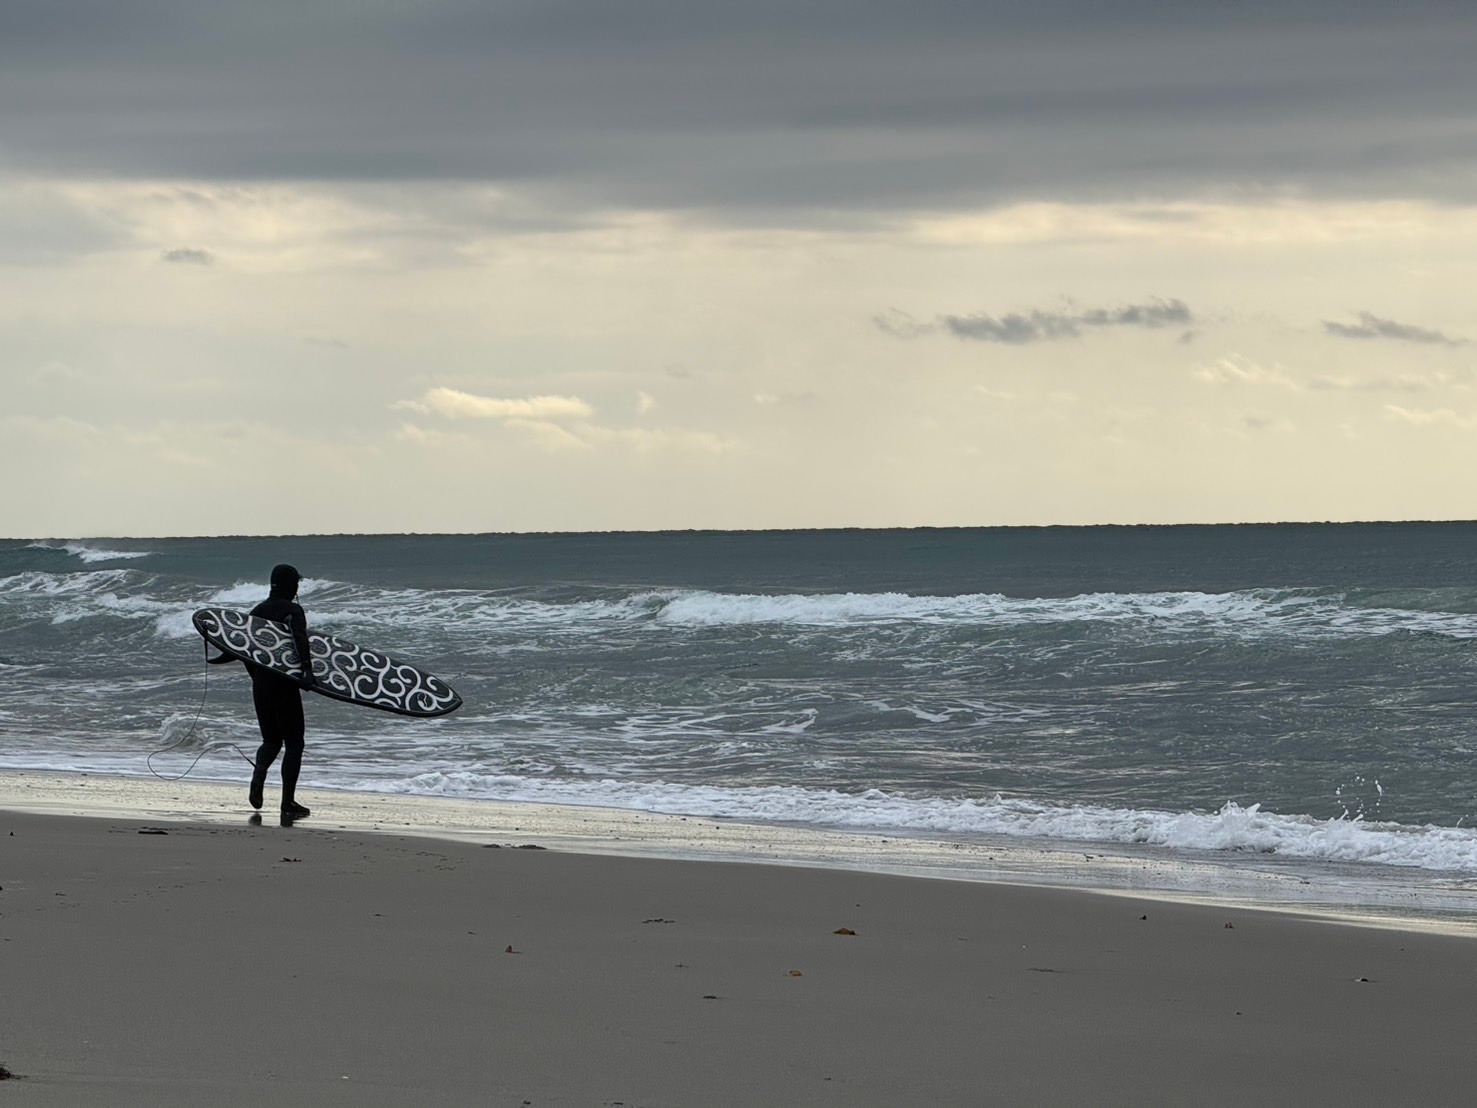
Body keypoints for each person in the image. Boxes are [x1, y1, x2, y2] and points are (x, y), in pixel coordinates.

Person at [210, 563, 316, 819]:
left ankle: (259, 774)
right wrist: (307, 670)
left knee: (271, 741)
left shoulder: (257, 612)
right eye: (296, 584)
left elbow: (241, 649)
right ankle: (287, 801)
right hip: (284, 685)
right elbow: (299, 638)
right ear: (292, 585)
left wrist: (257, 677)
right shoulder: (292, 610)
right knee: (294, 742)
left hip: (261, 685)